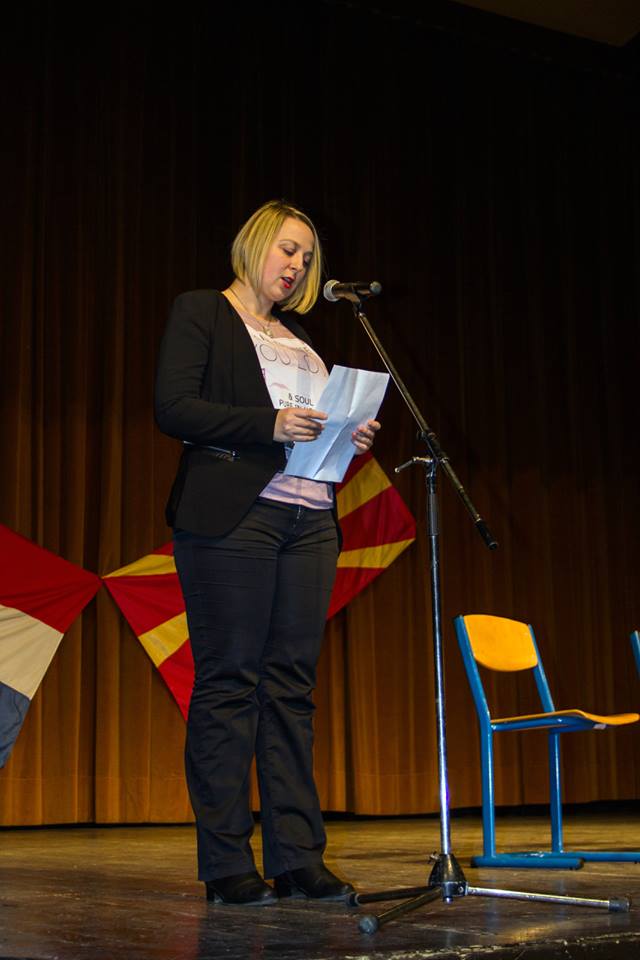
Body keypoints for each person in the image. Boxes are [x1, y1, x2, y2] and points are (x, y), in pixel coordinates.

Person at [155, 199, 380, 906]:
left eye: (307, 259)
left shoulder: (302, 338)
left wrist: (348, 436)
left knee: (290, 688)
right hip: (235, 517)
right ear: (254, 244)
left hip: (310, 521)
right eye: (288, 250)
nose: (298, 266)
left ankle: (298, 858)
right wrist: (271, 423)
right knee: (230, 683)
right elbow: (174, 408)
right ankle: (227, 862)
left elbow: (312, 431)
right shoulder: (203, 311)